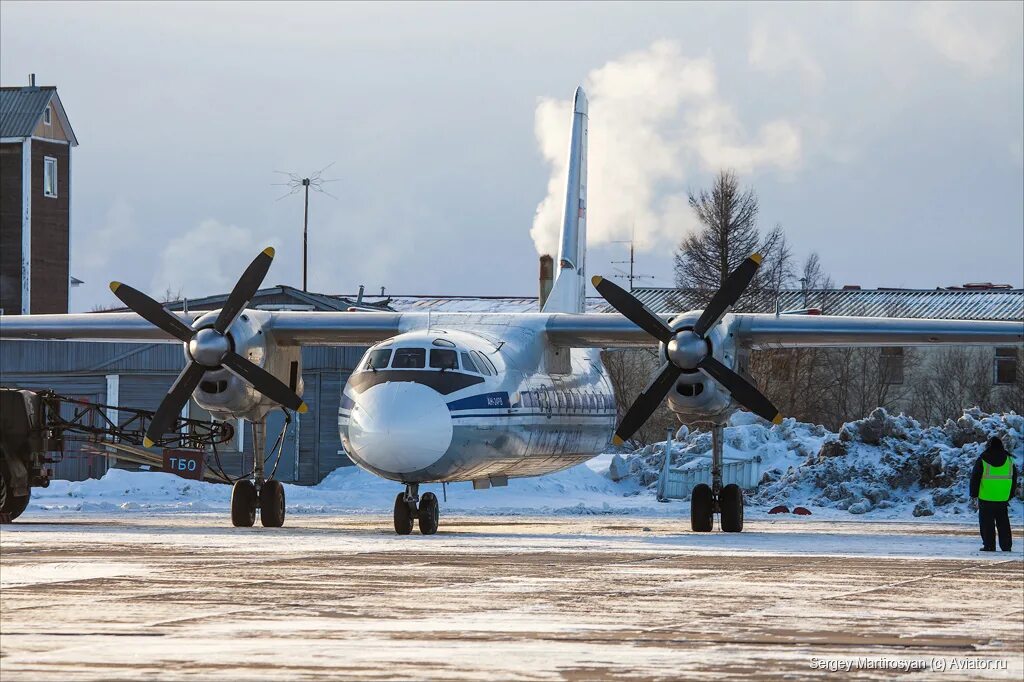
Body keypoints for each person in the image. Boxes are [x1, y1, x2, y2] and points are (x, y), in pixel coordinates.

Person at [969, 436, 1018, 552]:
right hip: (1002, 497)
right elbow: (1014, 478)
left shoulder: (983, 459)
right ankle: (1006, 546)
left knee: (987, 523)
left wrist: (973, 494)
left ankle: (989, 545)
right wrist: (1010, 494)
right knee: (1003, 522)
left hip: (986, 497)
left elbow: (975, 477)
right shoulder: (1010, 460)